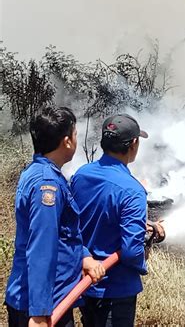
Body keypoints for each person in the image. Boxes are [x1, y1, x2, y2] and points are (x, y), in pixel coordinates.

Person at [4, 106, 105, 327]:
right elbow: (42, 246)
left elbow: (64, 234)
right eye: (76, 134)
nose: (77, 140)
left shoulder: (42, 173)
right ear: (67, 141)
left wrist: (84, 257)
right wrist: (39, 313)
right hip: (45, 307)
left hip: (51, 301)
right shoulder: (47, 185)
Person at [71, 113, 164, 326]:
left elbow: (78, 222)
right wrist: (145, 250)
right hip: (115, 290)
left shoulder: (81, 175)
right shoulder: (132, 190)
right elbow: (131, 251)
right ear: (133, 144)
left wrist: (146, 227)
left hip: (85, 283)